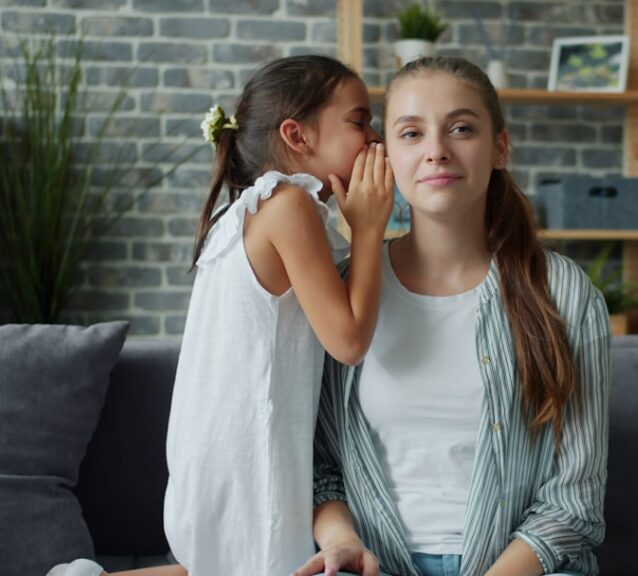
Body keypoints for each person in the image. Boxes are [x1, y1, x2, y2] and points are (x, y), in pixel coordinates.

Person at [48, 54, 394, 576]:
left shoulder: (242, 212)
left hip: (209, 456)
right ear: (297, 135)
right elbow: (348, 341)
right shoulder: (289, 207)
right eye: (359, 121)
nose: (374, 137)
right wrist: (368, 230)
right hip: (250, 460)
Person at [292, 56, 612, 576]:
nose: (437, 150)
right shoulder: (343, 294)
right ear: (384, 155)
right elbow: (321, 466)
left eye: (461, 128)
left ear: (500, 148)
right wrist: (340, 541)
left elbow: (574, 503)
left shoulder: (563, 292)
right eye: (411, 133)